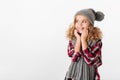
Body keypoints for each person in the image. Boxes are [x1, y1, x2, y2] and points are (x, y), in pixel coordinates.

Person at [64, 8, 105, 80]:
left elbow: (91, 60)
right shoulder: (73, 39)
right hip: (73, 74)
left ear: (90, 24)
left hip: (88, 75)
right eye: (77, 21)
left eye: (84, 21)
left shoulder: (95, 41)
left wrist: (83, 40)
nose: (79, 24)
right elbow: (73, 56)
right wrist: (79, 39)